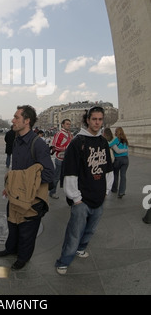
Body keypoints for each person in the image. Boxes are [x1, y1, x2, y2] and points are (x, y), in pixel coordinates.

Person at [55, 105, 113, 275]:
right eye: (94, 119)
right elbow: (70, 171)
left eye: (100, 119)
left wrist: (106, 191)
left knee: (91, 230)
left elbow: (108, 169)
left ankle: (81, 248)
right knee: (74, 232)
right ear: (87, 120)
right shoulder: (77, 142)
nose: (97, 122)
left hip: (99, 196)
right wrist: (76, 198)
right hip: (82, 198)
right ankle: (64, 261)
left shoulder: (103, 142)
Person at [0, 105, 54, 270]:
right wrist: (10, 186)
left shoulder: (39, 145)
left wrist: (25, 182)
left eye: (16, 117)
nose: (12, 120)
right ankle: (10, 249)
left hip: (31, 198)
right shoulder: (16, 139)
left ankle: (23, 258)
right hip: (15, 194)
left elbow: (50, 174)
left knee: (27, 231)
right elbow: (15, 168)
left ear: (27, 121)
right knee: (12, 224)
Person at [49, 119, 73, 199]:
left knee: (68, 177)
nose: (68, 125)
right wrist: (66, 148)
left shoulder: (69, 134)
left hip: (67, 159)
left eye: (69, 124)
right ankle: (52, 192)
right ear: (62, 125)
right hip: (60, 158)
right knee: (57, 177)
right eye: (67, 124)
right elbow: (55, 147)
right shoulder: (59, 134)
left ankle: (69, 194)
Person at [109, 126, 129, 198]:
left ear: (116, 132)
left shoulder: (116, 140)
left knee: (116, 174)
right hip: (126, 159)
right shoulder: (125, 140)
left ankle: (114, 189)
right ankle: (122, 191)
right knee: (123, 175)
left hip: (118, 159)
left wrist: (113, 146)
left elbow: (108, 145)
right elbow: (126, 149)